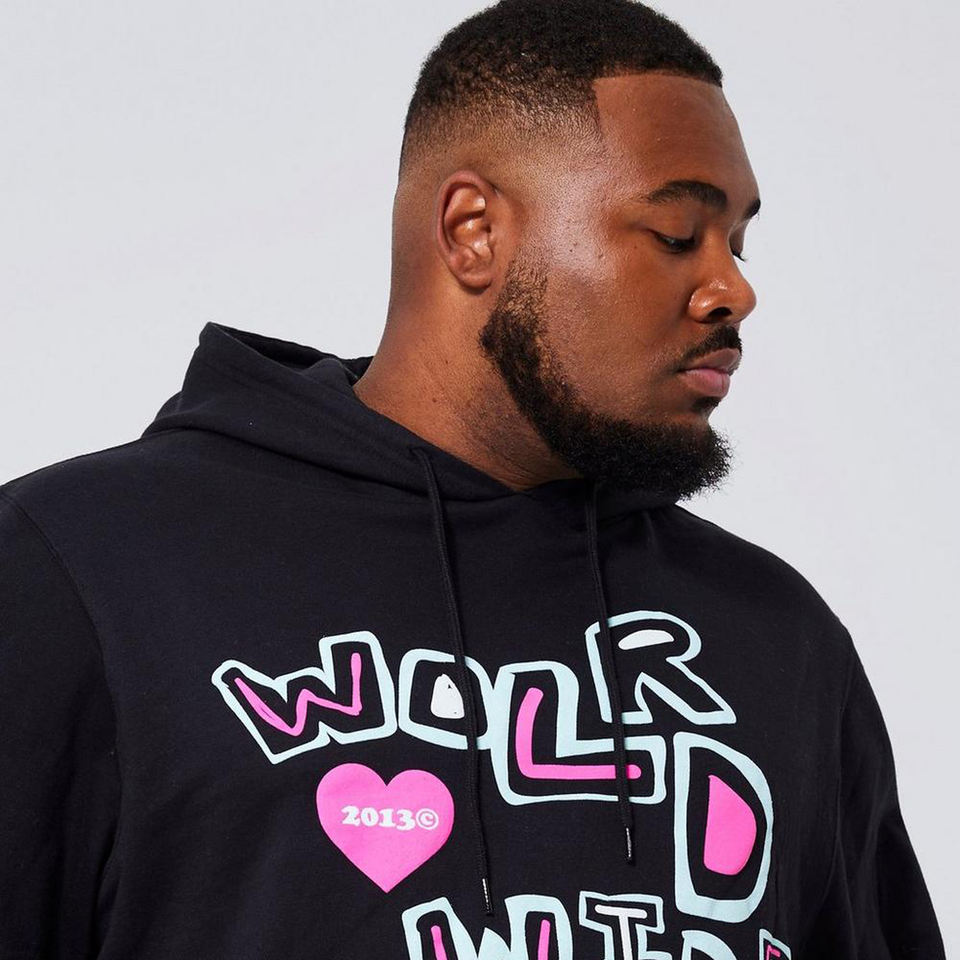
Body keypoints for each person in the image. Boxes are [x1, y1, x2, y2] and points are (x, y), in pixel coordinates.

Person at [0, 0, 945, 956]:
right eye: (674, 233)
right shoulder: (84, 572)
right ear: (474, 231)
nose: (733, 290)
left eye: (736, 242)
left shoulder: (779, 642)